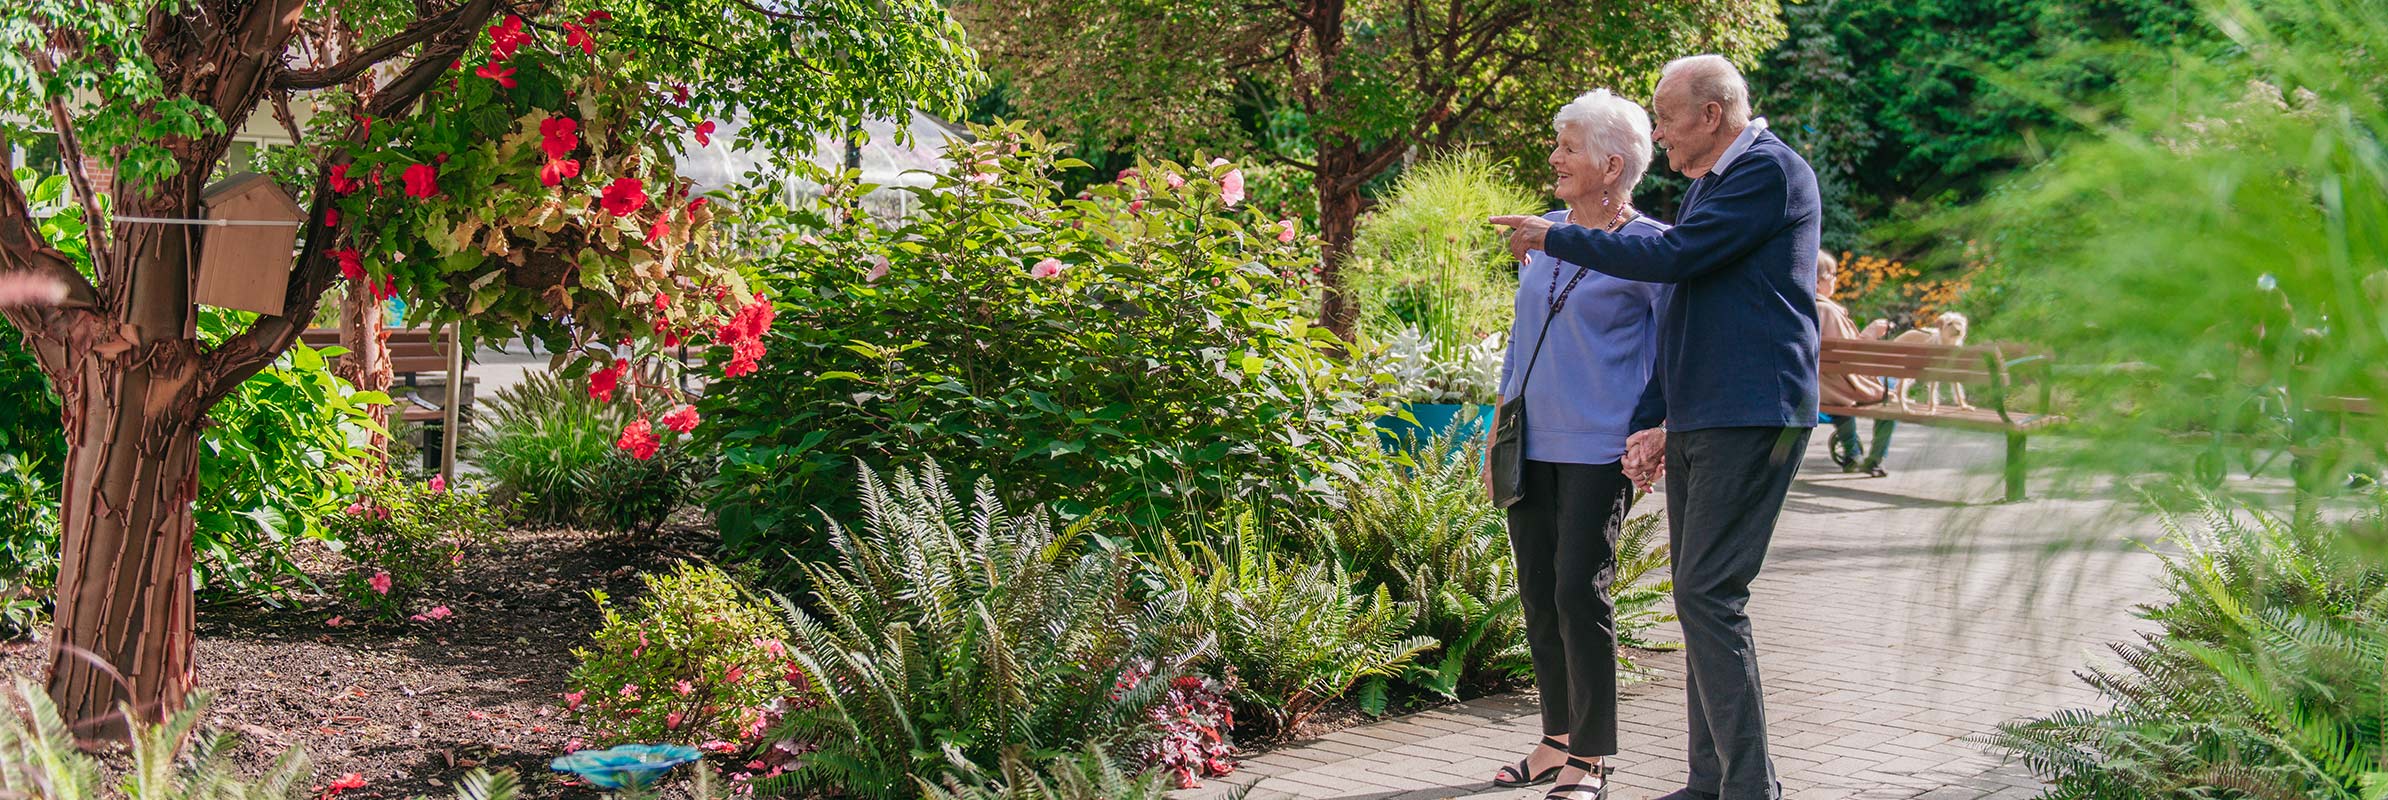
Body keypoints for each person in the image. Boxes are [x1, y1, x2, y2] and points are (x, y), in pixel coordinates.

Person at [1491, 54, 1821, 800]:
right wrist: (1660, 420)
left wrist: (1555, 238)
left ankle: (1745, 788)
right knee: (1699, 595)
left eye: (1667, 117)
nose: (1659, 134)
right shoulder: (1715, 183)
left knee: (1709, 594)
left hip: (1754, 409)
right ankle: (1711, 781)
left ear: (1711, 114)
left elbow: (1676, 259)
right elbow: (1685, 316)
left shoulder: (1768, 171)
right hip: (1709, 411)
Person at [1482, 88, 1669, 800]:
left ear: (1611, 163)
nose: (1554, 158)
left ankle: (1590, 759)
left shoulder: (1650, 247)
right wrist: (1498, 425)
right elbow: (1522, 338)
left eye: (1567, 147)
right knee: (1536, 592)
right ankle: (1555, 738)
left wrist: (1653, 428)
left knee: (1576, 592)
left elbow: (1669, 349)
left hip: (1600, 448)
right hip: (1531, 441)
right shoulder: (1544, 233)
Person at [1813, 250, 1897, 476]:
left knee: (1842, 393)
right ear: (1817, 281)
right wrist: (1871, 332)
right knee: (1892, 390)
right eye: (1832, 275)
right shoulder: (1827, 310)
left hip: (1818, 386)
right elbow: (1850, 358)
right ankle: (1876, 458)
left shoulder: (1802, 307)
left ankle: (1851, 453)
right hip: (1837, 387)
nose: (1835, 280)